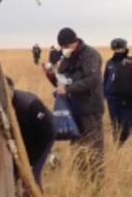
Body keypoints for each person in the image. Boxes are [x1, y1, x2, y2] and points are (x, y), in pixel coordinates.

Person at [43, 28, 105, 178]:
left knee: (93, 146)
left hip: (90, 108)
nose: (65, 50)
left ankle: (96, 181)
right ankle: (82, 178)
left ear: (75, 42)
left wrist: (69, 88)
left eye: (67, 46)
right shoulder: (66, 59)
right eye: (62, 47)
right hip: (74, 110)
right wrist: (51, 76)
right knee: (77, 146)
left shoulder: (91, 55)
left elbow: (93, 80)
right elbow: (61, 84)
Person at [8, 79, 54, 189]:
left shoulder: (29, 104)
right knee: (14, 174)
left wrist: (33, 159)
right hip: (24, 141)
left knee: (33, 176)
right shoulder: (0, 106)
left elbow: (47, 132)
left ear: (10, 89)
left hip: (43, 137)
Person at [103, 38, 129, 137]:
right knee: (115, 123)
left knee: (125, 123)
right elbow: (106, 78)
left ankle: (124, 141)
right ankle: (117, 144)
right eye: (115, 50)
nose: (118, 52)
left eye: (120, 49)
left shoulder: (128, 62)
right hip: (111, 97)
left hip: (124, 97)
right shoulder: (109, 63)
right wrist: (104, 92)